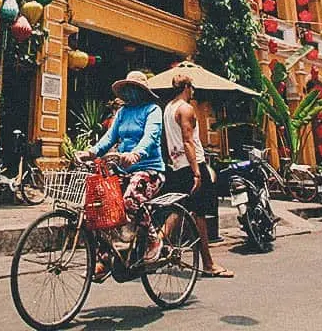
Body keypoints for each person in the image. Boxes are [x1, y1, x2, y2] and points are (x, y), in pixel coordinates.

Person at [78, 71, 166, 262]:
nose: (131, 93)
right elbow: (109, 138)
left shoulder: (152, 110)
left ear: (143, 92)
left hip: (149, 171)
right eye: (128, 89)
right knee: (102, 206)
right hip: (123, 170)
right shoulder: (123, 112)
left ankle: (153, 239)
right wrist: (91, 153)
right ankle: (107, 257)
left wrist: (136, 154)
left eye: (135, 89)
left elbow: (150, 137)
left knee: (130, 199)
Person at [163, 74, 233, 278]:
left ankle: (156, 244)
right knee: (200, 214)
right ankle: (208, 264)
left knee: (181, 208)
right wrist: (196, 172)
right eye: (191, 87)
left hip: (177, 165)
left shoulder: (168, 108)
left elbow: (170, 140)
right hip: (191, 165)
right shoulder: (186, 109)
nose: (193, 91)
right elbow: (187, 141)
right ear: (186, 87)